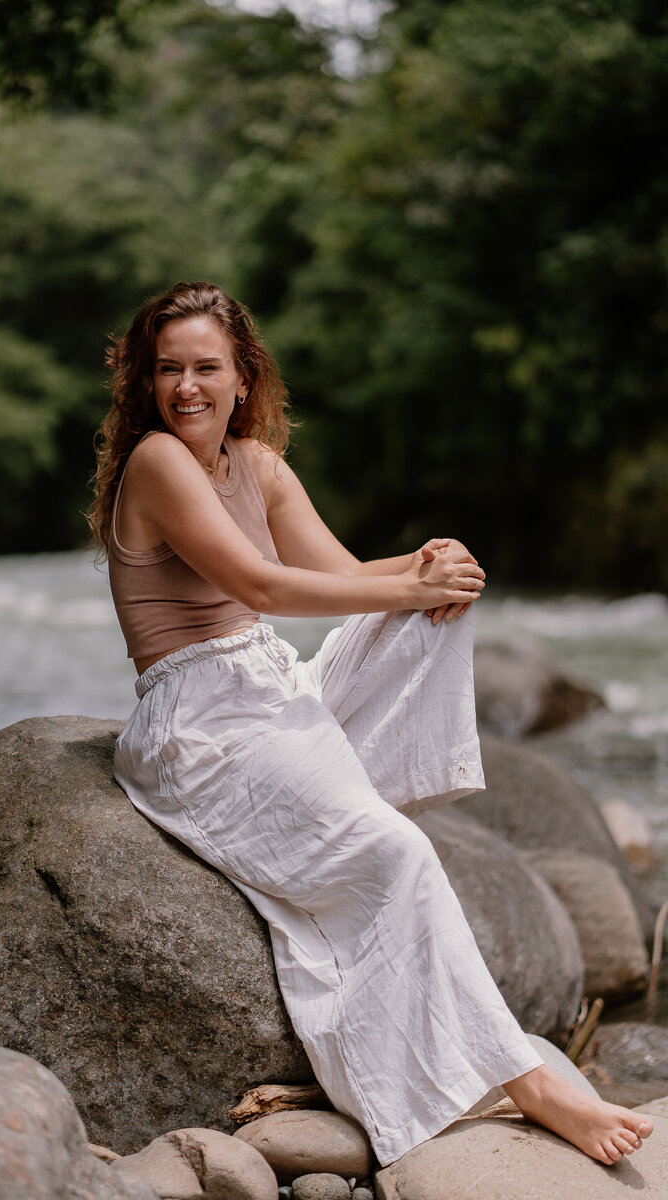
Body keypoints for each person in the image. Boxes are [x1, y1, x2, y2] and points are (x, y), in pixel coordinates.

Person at [89, 280, 653, 1168]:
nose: (186, 388)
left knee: (426, 608)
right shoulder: (157, 462)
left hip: (270, 688)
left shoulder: (258, 465)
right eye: (168, 370)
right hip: (200, 722)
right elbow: (267, 590)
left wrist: (431, 563)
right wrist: (408, 585)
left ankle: (363, 796)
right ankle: (529, 1082)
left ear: (244, 377)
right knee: (396, 855)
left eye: (206, 368)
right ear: (145, 385)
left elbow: (346, 575)